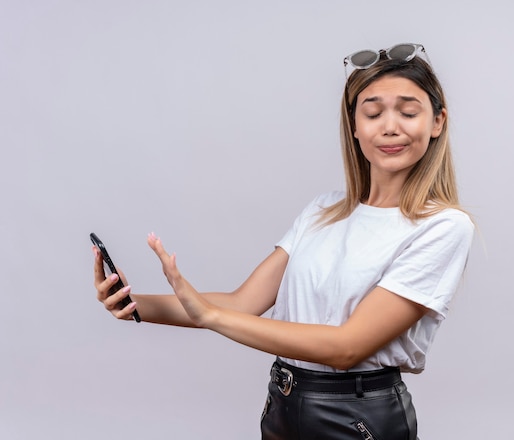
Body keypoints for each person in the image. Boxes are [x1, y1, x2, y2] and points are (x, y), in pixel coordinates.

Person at [93, 43, 474, 440]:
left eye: (409, 112)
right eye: (373, 112)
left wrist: (212, 318)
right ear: (355, 125)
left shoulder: (443, 226)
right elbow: (242, 303)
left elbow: (347, 347)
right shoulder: (323, 210)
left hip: (358, 416)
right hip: (284, 401)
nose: (390, 126)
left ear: (437, 122)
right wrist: (134, 305)